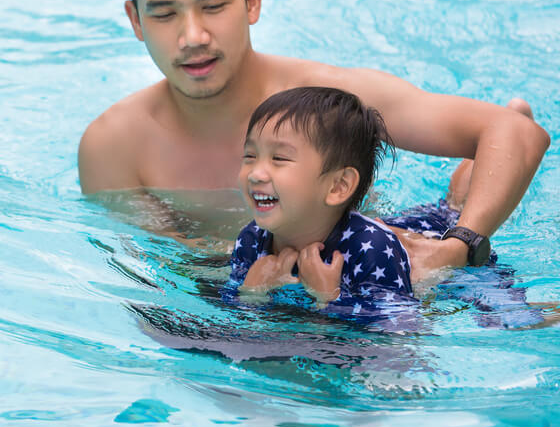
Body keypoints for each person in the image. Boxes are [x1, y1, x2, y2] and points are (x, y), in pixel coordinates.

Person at [77, 0, 550, 281]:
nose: (193, 36)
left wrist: (457, 245)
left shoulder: (325, 99)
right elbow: (167, 274)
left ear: (252, 1)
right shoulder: (115, 147)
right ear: (136, 21)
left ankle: (464, 195)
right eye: (164, 14)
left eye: (213, 5)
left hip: (374, 247)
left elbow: (516, 134)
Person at [225, 86, 545, 330]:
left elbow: (402, 330)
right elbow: (232, 319)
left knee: (510, 321)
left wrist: (330, 298)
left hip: (431, 250)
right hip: (397, 225)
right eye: (249, 156)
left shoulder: (372, 250)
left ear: (338, 186)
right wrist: (252, 291)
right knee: (448, 204)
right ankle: (506, 133)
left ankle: (509, 133)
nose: (256, 172)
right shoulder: (252, 239)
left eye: (278, 159)